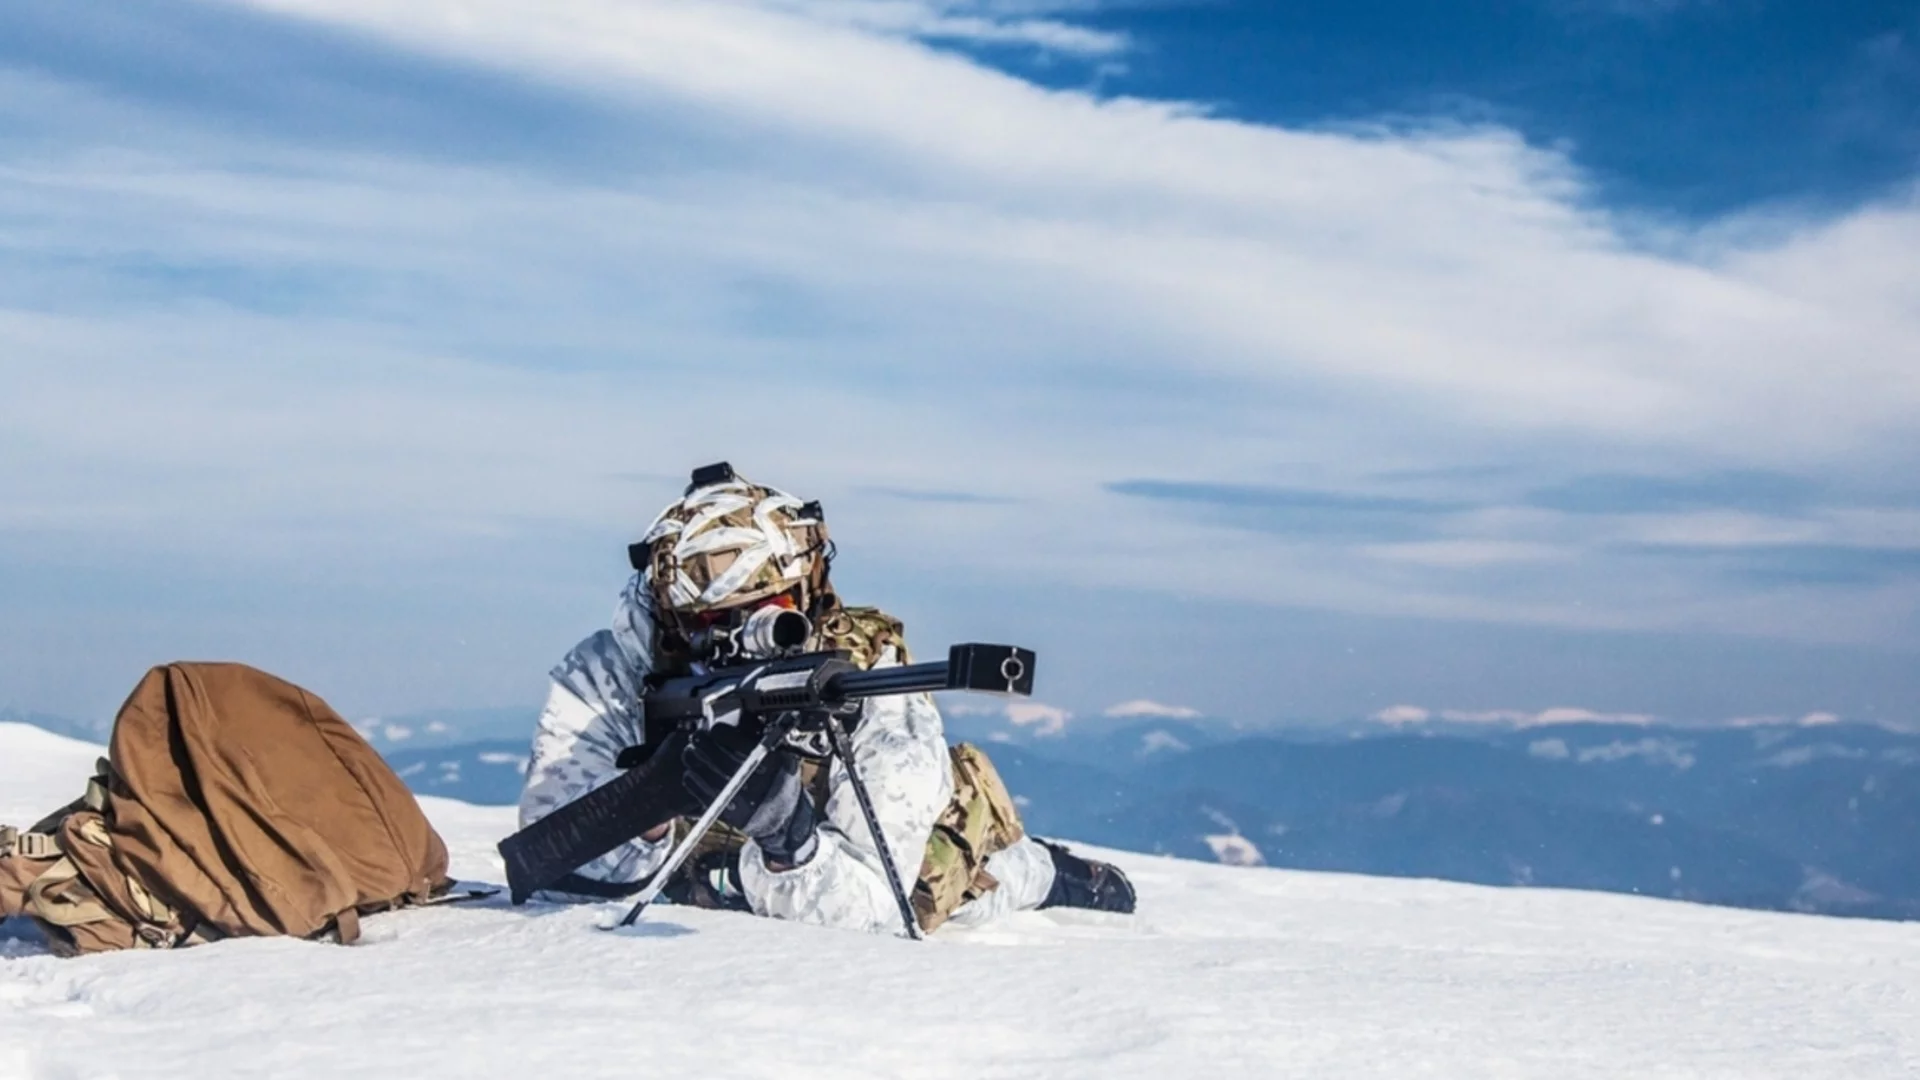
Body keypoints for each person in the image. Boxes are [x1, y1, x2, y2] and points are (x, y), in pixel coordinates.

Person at [515, 463, 1134, 934]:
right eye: (711, 623)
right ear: (674, 619)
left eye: (770, 613)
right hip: (711, 879)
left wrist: (789, 839)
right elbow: (547, 875)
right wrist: (646, 807)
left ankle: (1050, 870)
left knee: (949, 890)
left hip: (877, 859)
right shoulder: (610, 675)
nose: (738, 639)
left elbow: (879, 915)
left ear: (807, 591)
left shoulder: (867, 673)